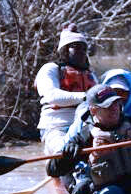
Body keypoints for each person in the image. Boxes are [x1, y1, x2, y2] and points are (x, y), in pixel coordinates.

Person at [46, 84, 131, 194]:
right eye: (107, 106)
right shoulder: (85, 136)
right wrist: (67, 155)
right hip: (108, 193)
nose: (114, 109)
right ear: (93, 110)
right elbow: (53, 170)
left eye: (116, 104)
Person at [35, 24, 97, 154]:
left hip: (85, 126)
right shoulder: (50, 69)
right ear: (64, 50)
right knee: (63, 152)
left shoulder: (90, 75)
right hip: (56, 127)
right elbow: (52, 96)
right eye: (75, 47)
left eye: (83, 48)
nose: (81, 51)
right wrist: (85, 97)